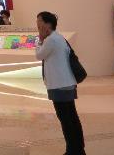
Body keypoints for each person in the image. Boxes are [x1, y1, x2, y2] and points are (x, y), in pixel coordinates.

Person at [35, 11, 85, 155]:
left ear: (47, 24)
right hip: (67, 83)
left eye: (39, 20)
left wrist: (40, 40)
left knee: (66, 120)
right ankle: (78, 149)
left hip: (59, 85)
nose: (37, 24)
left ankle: (72, 151)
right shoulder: (59, 38)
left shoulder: (50, 40)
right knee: (72, 118)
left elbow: (39, 55)